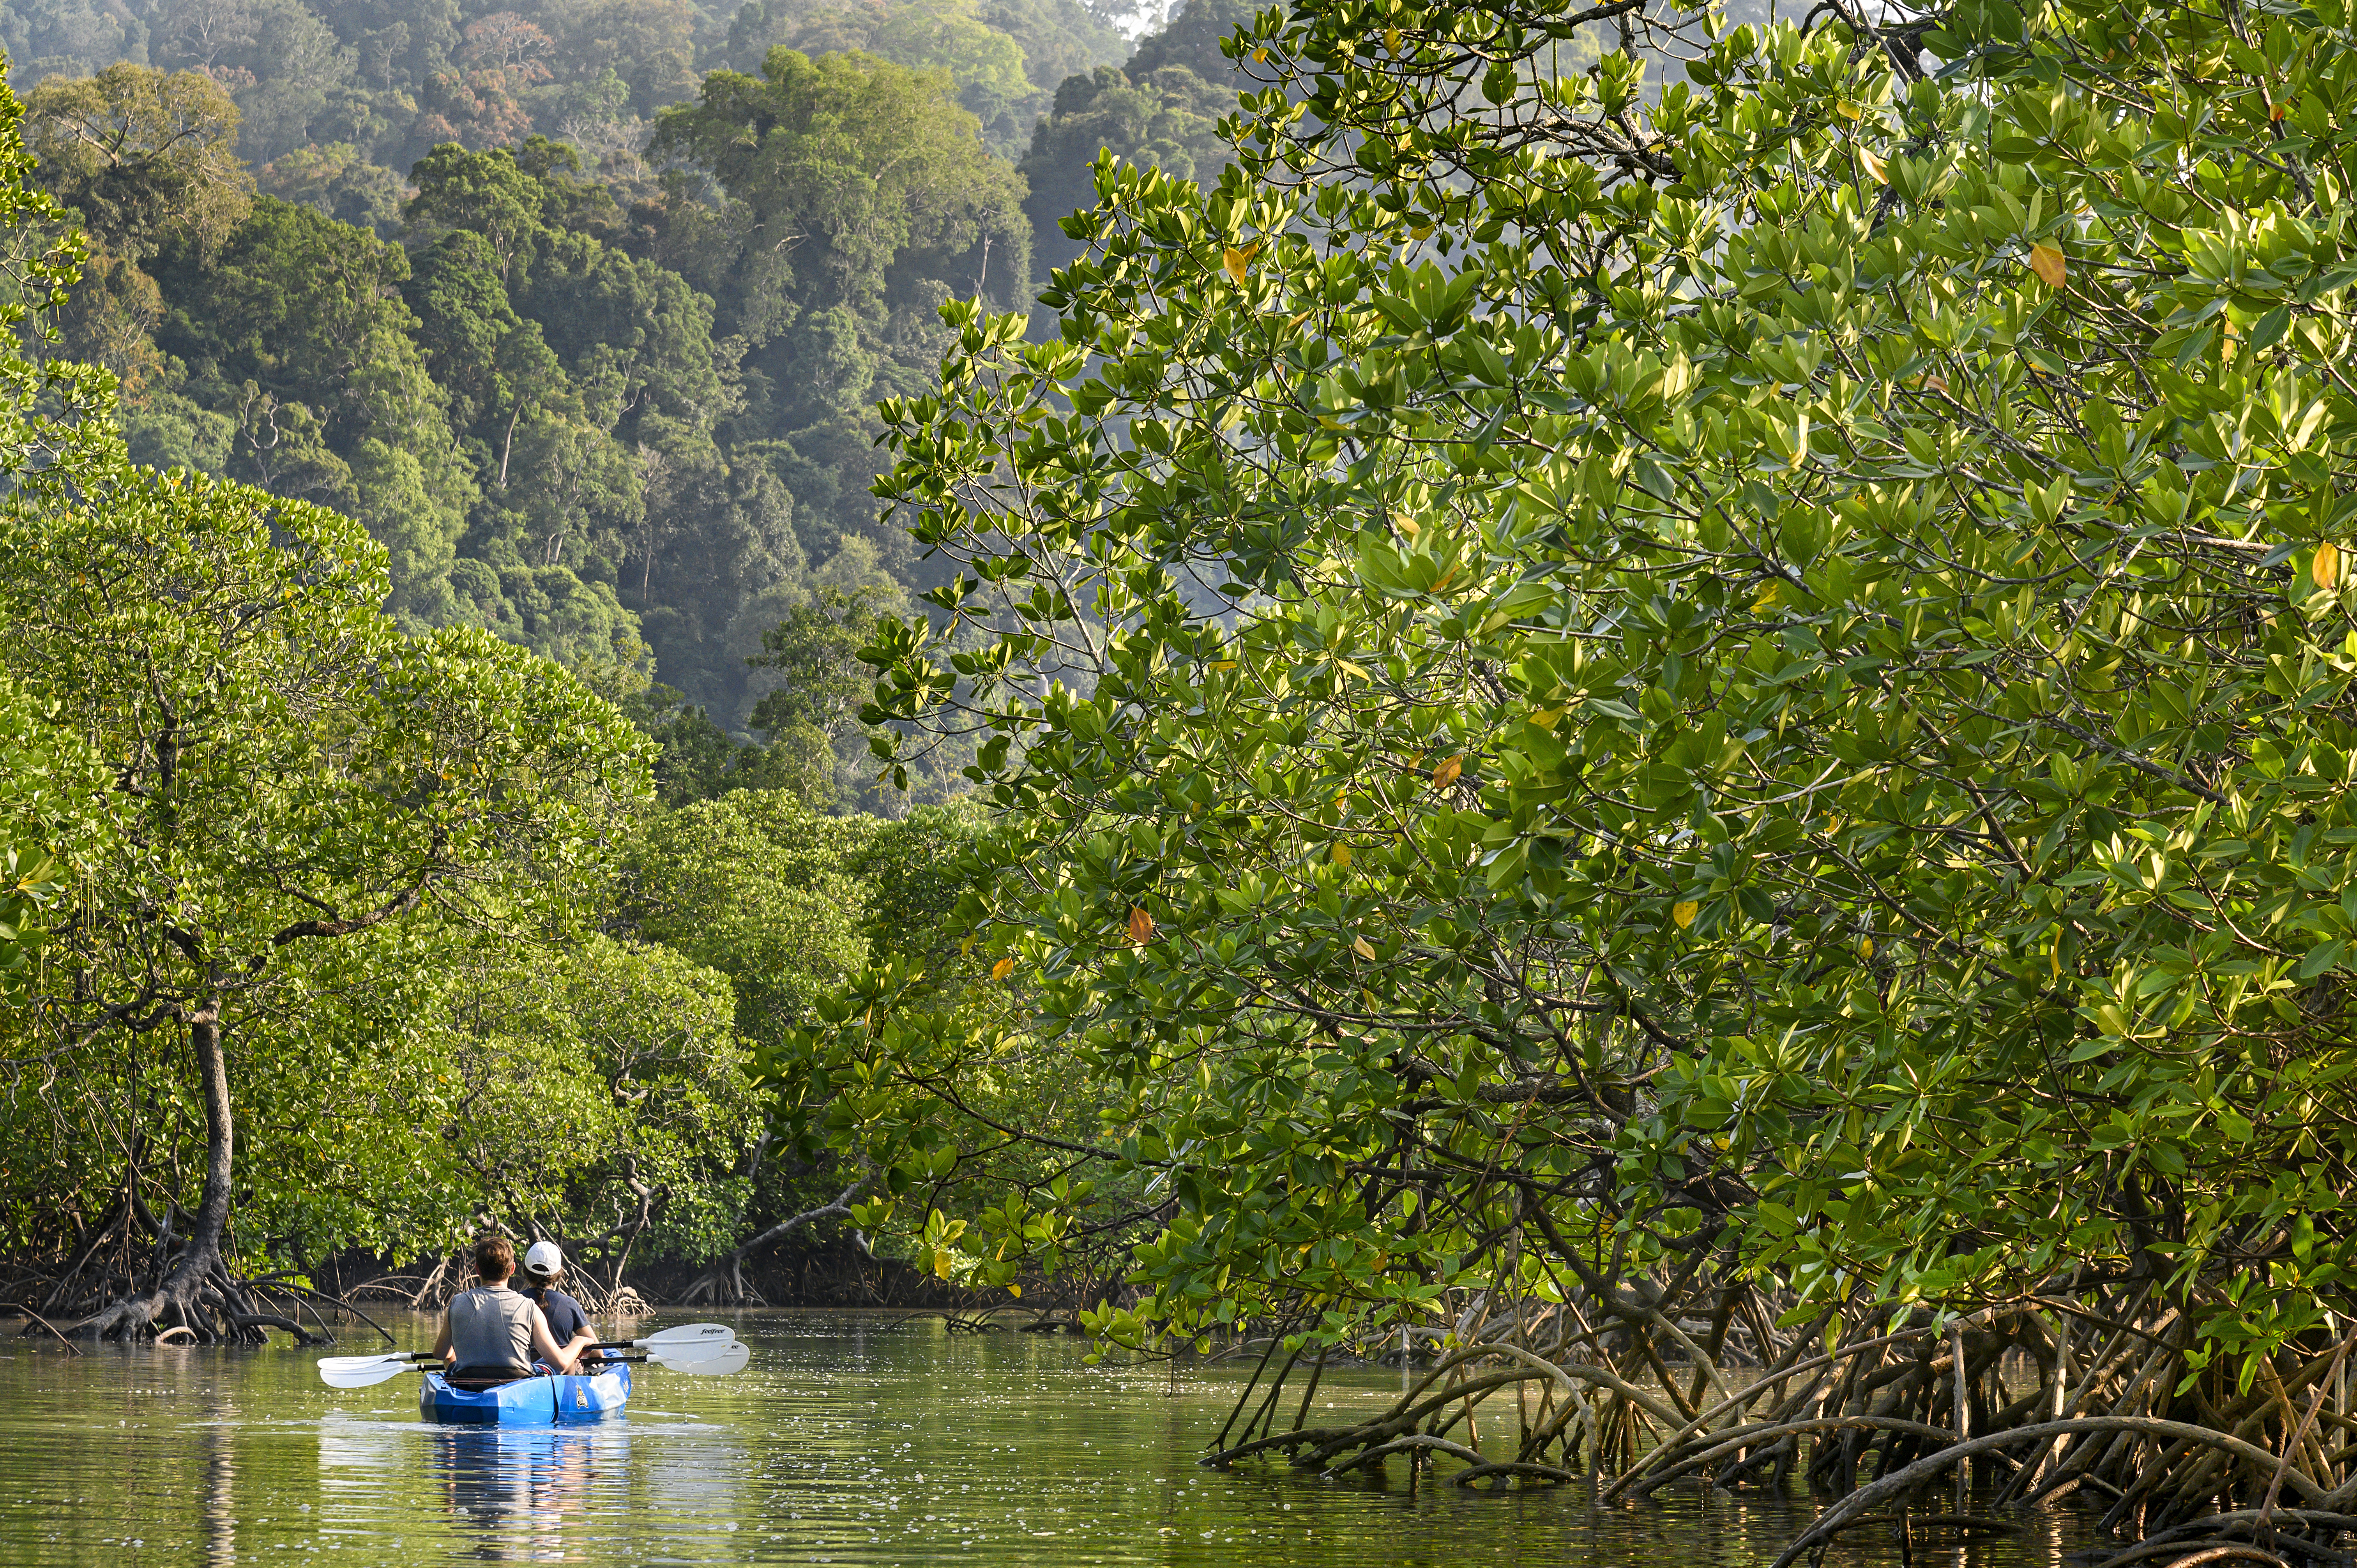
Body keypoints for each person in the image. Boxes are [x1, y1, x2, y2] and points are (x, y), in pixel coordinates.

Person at [433, 1234, 576, 1386]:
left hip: (468, 1380)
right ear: (512, 1269)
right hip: (517, 1383)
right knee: (570, 1364)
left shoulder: (457, 1303)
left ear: (477, 1269)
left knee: (450, 1358)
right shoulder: (529, 1308)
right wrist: (579, 1341)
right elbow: (561, 1362)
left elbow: (440, 1354)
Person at [518, 1240, 603, 1371]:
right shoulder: (570, 1304)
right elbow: (597, 1352)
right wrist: (576, 1352)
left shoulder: (515, 1302)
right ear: (558, 1275)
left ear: (526, 1272)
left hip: (524, 1372)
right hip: (559, 1373)